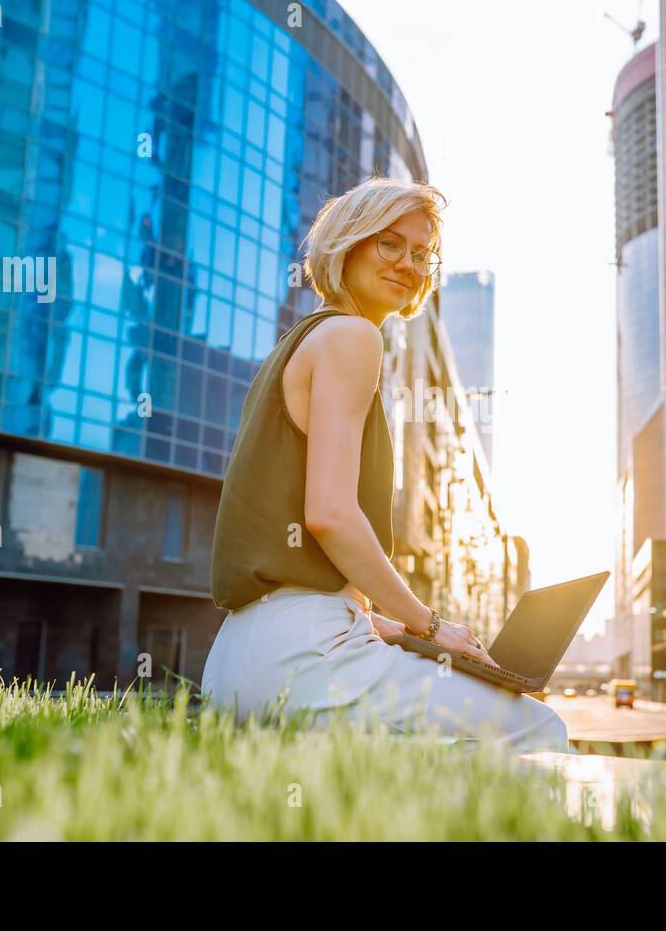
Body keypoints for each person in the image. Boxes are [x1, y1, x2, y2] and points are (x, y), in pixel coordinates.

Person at [201, 176, 568, 753]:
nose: (408, 264)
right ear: (347, 244)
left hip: (236, 661)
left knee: (418, 767)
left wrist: (381, 624)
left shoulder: (296, 346)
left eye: (422, 254)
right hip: (303, 656)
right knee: (537, 729)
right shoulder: (352, 338)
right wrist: (430, 626)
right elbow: (328, 514)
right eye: (389, 244)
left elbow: (293, 560)